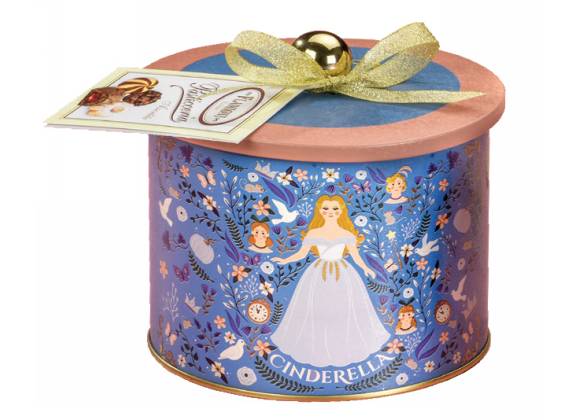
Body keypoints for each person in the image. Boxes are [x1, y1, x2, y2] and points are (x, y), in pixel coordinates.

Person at [271, 195, 390, 367]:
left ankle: (341, 346)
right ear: (319, 211)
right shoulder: (313, 233)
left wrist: (366, 268)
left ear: (341, 211)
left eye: (335, 208)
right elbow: (301, 254)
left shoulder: (347, 234)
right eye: (325, 208)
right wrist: (285, 260)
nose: (330, 212)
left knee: (343, 308)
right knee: (317, 307)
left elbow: (356, 256)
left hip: (343, 274)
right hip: (317, 274)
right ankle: (315, 347)